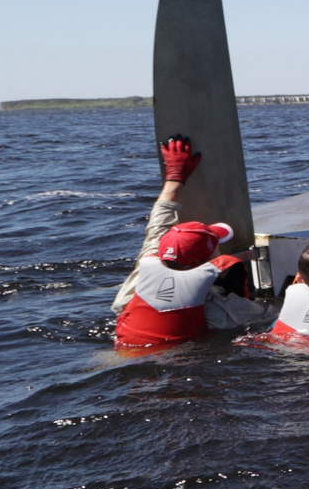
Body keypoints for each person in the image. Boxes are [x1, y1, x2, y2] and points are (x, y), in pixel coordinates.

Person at [112, 136, 269, 348]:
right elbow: (265, 316)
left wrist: (175, 176)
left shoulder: (148, 263)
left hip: (119, 352)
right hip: (172, 361)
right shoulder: (217, 306)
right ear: (209, 260)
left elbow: (160, 218)